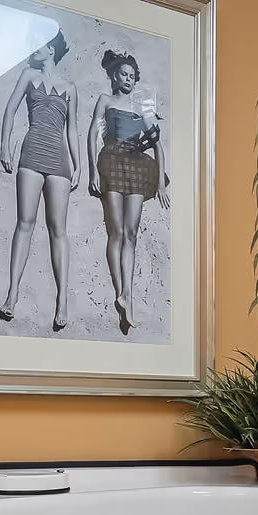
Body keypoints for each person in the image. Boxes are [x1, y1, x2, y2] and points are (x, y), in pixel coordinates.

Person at [0, 31, 79, 332]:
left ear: (52, 49)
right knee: (25, 223)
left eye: (39, 44)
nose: (33, 49)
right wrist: (4, 146)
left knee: (59, 230)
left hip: (59, 159)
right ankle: (12, 293)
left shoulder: (70, 88)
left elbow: (72, 130)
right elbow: (10, 110)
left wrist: (79, 164)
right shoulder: (28, 75)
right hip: (31, 153)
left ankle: (62, 300)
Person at [88, 49, 169, 335]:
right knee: (117, 232)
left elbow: (157, 145)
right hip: (111, 161)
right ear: (114, 76)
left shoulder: (141, 106)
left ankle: (128, 297)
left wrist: (160, 183)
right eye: (124, 74)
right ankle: (120, 290)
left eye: (132, 76)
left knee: (131, 234)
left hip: (136, 166)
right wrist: (92, 171)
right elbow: (93, 135)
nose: (128, 80)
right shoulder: (105, 100)